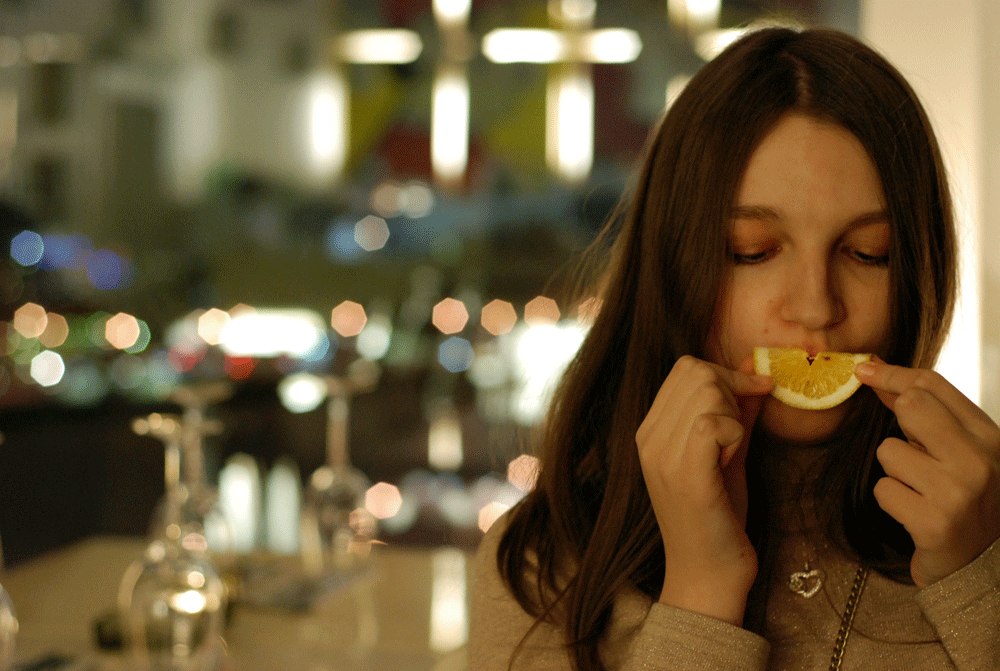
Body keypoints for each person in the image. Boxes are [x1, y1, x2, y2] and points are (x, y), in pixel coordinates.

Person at [469, 25, 1000, 671]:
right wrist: (701, 592)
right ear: (674, 267)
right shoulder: (541, 568)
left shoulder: (979, 532)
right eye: (753, 251)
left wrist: (981, 584)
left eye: (869, 253)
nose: (815, 307)